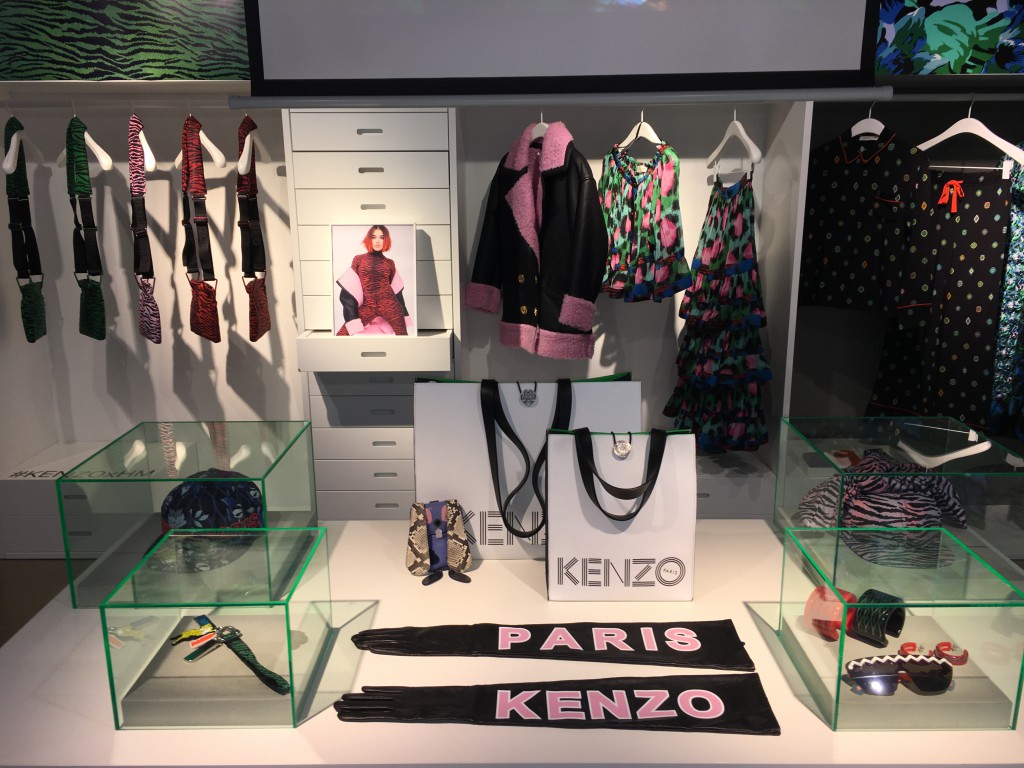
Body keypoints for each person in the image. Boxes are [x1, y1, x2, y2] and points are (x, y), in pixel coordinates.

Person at [336, 224, 410, 336]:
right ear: (369, 239)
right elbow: (350, 285)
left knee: (404, 337)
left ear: (386, 240)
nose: (377, 241)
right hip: (367, 306)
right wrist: (351, 313)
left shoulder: (390, 263)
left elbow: (396, 290)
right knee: (341, 335)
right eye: (374, 237)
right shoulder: (358, 259)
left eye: (381, 237)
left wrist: (403, 311)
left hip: (390, 305)